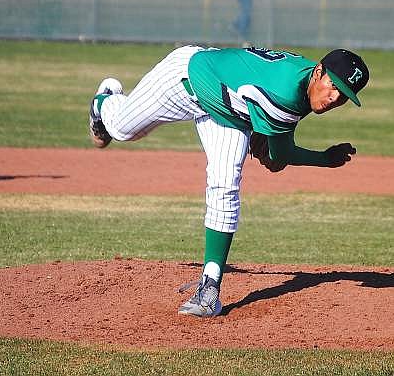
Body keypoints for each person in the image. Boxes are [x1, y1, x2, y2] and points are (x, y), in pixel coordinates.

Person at [88, 45, 369, 317]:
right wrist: (324, 158)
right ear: (318, 71)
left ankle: (210, 286)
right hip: (186, 80)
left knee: (225, 183)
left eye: (343, 95)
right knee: (123, 130)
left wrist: (266, 139)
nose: (334, 97)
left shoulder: (306, 82)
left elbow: (268, 128)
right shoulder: (284, 92)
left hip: (229, 113)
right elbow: (280, 156)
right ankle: (105, 101)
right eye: (333, 85)